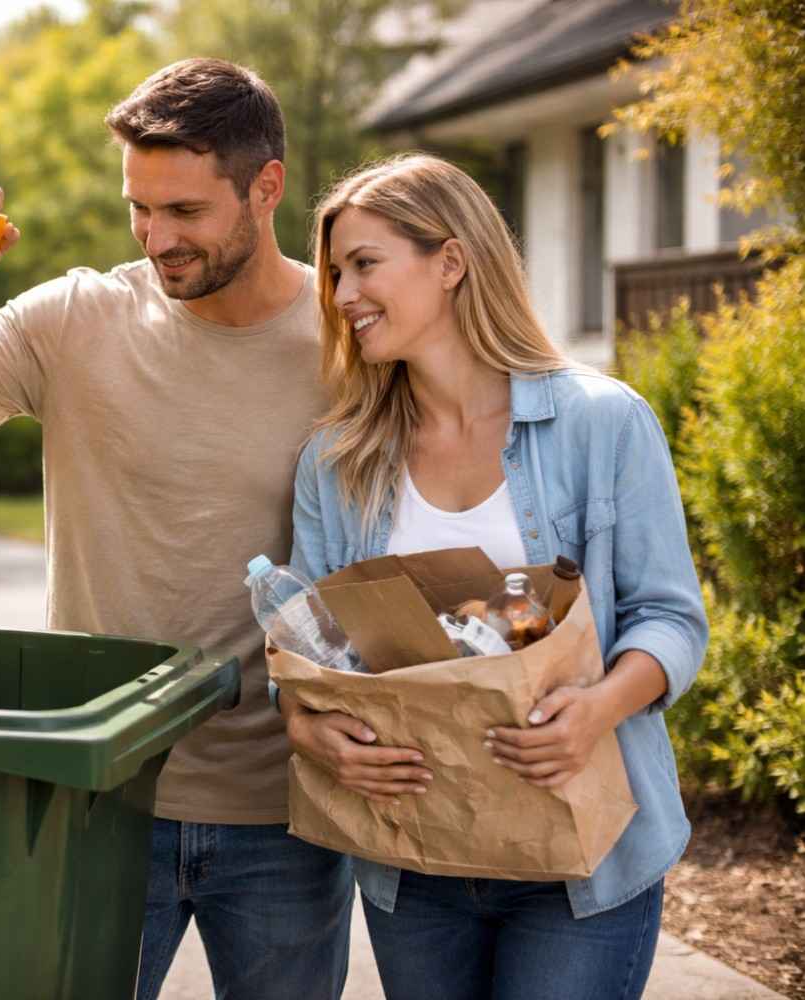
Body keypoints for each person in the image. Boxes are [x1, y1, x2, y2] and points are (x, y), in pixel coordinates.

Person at [0, 58, 352, 1000]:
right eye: (139, 207)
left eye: (184, 212)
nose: (154, 238)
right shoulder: (74, 319)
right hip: (100, 799)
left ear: (267, 188)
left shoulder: (352, 340)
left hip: (285, 810)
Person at [285, 153, 708, 1000]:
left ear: (451, 261)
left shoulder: (602, 423)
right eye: (335, 272)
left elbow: (671, 619)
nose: (340, 294)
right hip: (417, 861)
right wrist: (308, 730)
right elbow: (305, 646)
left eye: (365, 264)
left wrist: (596, 710)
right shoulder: (337, 464)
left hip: (581, 866)